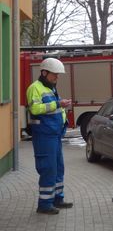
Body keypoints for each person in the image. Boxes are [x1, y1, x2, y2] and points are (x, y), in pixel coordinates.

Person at [26, 58, 73, 215]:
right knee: (48, 168)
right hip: (44, 136)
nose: (57, 78)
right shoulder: (35, 88)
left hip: (54, 135)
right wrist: (59, 104)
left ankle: (57, 198)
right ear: (44, 73)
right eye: (55, 75)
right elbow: (35, 109)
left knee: (58, 168)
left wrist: (63, 116)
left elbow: (53, 110)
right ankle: (44, 204)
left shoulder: (50, 88)